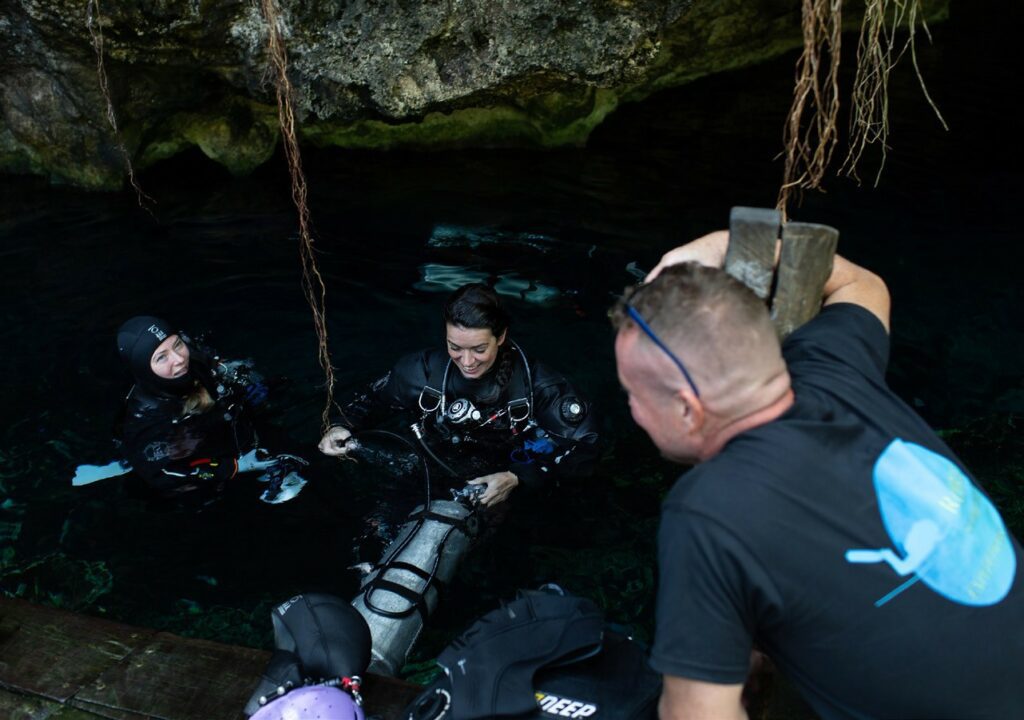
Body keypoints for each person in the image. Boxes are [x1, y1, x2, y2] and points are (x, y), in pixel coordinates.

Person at [611, 230, 1024, 719]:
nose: (633, 412)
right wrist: (719, 246)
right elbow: (862, 285)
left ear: (686, 410)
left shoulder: (707, 509)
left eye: (633, 395)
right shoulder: (836, 367)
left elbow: (698, 716)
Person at [318, 283, 600, 507]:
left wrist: (518, 477)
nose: (466, 361)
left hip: (500, 483)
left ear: (500, 337)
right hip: (424, 468)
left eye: (479, 349)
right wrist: (340, 426)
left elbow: (584, 447)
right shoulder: (419, 372)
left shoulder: (542, 388)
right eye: (455, 347)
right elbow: (370, 400)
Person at [116, 315, 305, 504]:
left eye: (177, 345)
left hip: (229, 427)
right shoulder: (147, 418)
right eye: (161, 357)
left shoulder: (190, 356)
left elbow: (217, 364)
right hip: (208, 464)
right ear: (143, 368)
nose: (180, 359)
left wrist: (245, 382)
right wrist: (235, 467)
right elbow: (163, 475)